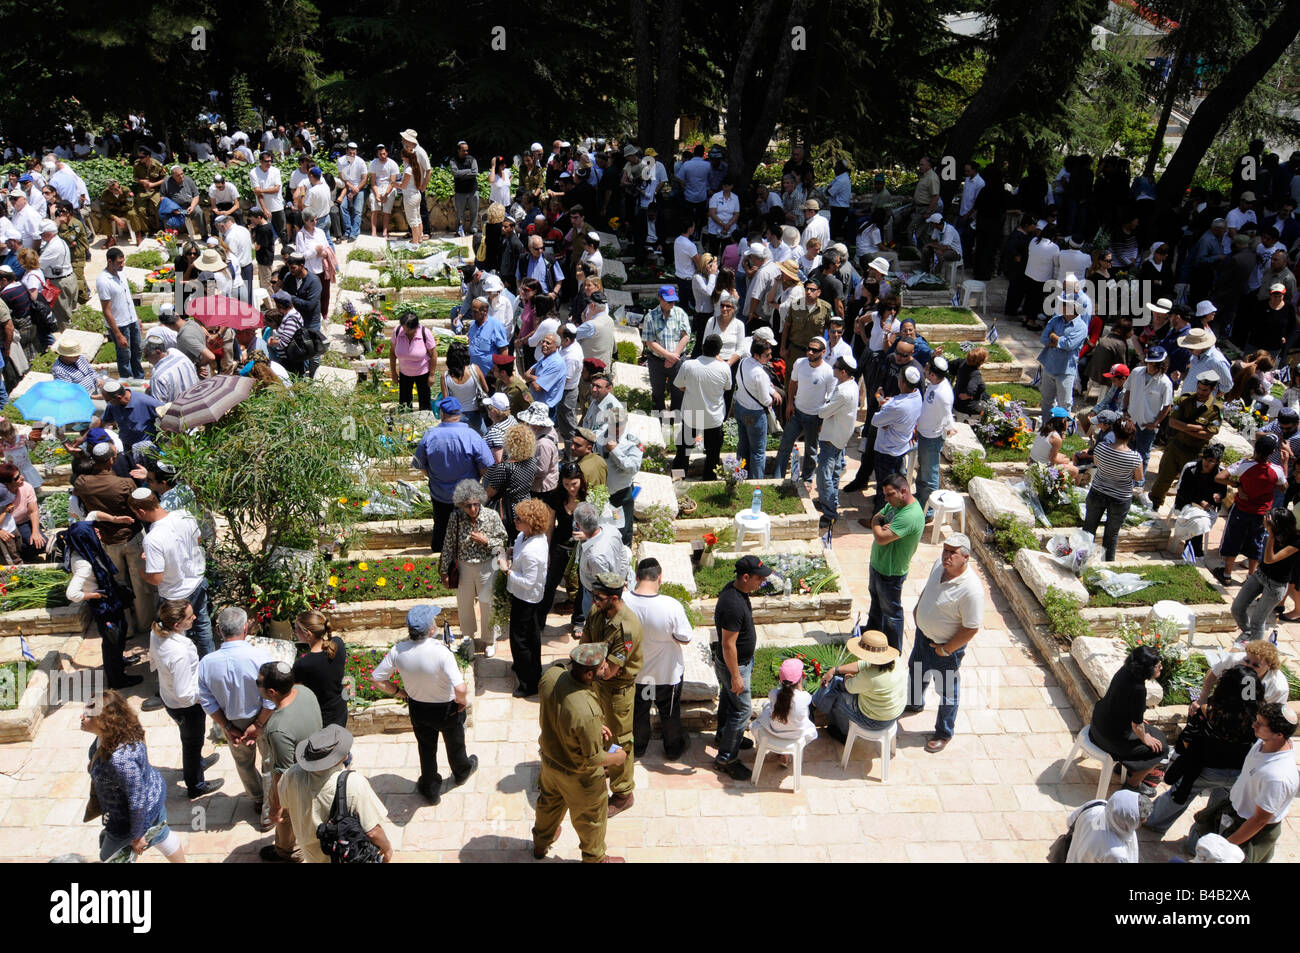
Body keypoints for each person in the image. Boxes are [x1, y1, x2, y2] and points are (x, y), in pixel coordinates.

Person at [533, 643, 628, 863]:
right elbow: (595, 759)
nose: (607, 666)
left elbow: (558, 713)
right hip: (578, 776)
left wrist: (593, 729)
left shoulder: (551, 676)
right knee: (591, 818)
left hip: (549, 763)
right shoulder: (586, 711)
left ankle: (540, 843)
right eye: (603, 665)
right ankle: (595, 858)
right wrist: (618, 758)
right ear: (588, 674)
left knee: (548, 804)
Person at [371, 605, 476, 804]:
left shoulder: (398, 651)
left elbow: (376, 679)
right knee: (455, 743)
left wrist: (398, 692)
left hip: (418, 708)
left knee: (426, 748)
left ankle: (430, 788)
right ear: (430, 630)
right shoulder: (442, 653)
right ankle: (461, 772)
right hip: (447, 710)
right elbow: (460, 689)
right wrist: (461, 702)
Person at [1145, 663, 1261, 836]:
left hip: (1203, 769)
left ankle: (1152, 822)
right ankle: (1198, 843)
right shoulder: (1258, 718)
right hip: (1238, 772)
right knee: (1218, 808)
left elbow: (1187, 738)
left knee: (1179, 796)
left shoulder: (1209, 712)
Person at [1186, 702, 1299, 863]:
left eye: (1260, 724)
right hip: (1235, 811)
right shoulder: (1264, 742)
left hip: (1251, 829)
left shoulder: (1277, 777)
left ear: (1279, 735)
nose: (1254, 725)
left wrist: (1225, 847)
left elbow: (1260, 820)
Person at [903, 533, 985, 753]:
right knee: (916, 671)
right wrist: (919, 610)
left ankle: (943, 733)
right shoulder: (939, 566)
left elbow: (971, 627)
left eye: (953, 553)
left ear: (965, 557)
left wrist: (946, 649)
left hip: (945, 649)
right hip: (923, 637)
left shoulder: (972, 590)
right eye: (945, 550)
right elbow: (929, 588)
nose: (946, 556)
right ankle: (914, 702)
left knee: (948, 691)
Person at [81, 691, 185, 863]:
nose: (82, 717)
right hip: (152, 799)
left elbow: (136, 800)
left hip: (131, 818)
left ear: (104, 722)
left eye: (88, 715)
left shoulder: (120, 759)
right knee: (163, 837)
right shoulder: (118, 732)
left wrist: (137, 836)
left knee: (109, 858)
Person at [197, 607, 274, 825]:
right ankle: (268, 812)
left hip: (232, 720)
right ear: (245, 628)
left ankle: (258, 799)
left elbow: (207, 700)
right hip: (263, 718)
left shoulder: (207, 663)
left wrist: (227, 726)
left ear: (219, 631)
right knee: (269, 763)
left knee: (243, 763)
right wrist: (258, 724)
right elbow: (270, 696)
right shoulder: (260, 656)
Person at [278, 724, 394, 863]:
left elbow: (284, 804)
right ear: (341, 757)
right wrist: (387, 849)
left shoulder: (292, 774)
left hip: (311, 853)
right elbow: (372, 831)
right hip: (344, 856)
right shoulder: (353, 783)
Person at [71, 445, 154, 637]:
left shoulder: (82, 483)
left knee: (116, 584)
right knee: (141, 585)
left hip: (106, 541)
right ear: (110, 461)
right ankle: (145, 624)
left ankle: (127, 627)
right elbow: (136, 506)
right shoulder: (125, 484)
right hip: (131, 538)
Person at [579, 571, 642, 815]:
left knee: (621, 740)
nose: (594, 601)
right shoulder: (599, 611)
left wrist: (585, 667)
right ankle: (608, 763)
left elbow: (609, 671)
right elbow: (584, 642)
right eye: (594, 595)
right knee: (602, 730)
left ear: (614, 598)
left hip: (617, 692)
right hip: (597, 684)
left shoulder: (627, 629)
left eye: (599, 597)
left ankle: (623, 792)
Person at [149, 598, 219, 799]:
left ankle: (199, 762)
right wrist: (206, 696)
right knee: (191, 743)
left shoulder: (156, 632)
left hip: (168, 697)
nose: (195, 617)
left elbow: (154, 660)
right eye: (190, 616)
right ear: (177, 625)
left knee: (191, 741)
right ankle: (196, 784)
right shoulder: (179, 652)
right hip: (185, 708)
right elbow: (184, 694)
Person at [254, 660, 322, 862]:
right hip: (318, 764)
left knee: (286, 820)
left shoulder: (278, 727)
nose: (256, 685)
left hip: (301, 780)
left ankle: (288, 853)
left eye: (258, 683)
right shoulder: (305, 691)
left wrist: (275, 807)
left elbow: (282, 775)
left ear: (272, 691)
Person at [130, 488, 212, 656]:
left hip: (175, 595)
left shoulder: (152, 539)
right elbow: (197, 540)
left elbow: (156, 579)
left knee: (178, 636)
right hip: (197, 581)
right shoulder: (184, 514)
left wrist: (141, 572)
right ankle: (208, 662)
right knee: (202, 625)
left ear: (141, 511)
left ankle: (183, 666)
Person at [625, 557, 693, 760]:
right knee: (669, 713)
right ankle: (672, 749)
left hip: (641, 674)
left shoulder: (624, 601)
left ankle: (639, 747)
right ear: (660, 577)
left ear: (636, 576)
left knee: (641, 711)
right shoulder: (670, 606)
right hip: (666, 674)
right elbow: (685, 637)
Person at [712, 555, 772, 780]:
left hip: (736, 664)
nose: (762, 582)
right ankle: (726, 757)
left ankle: (722, 736)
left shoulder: (737, 591)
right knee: (743, 710)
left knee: (729, 701)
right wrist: (736, 675)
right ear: (746, 577)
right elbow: (728, 645)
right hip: (734, 666)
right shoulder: (733, 604)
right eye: (759, 579)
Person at [63, 518, 140, 689]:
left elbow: (93, 514)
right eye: (94, 531)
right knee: (112, 639)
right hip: (104, 607)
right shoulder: (84, 564)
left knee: (120, 633)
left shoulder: (83, 547)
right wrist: (93, 596)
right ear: (86, 537)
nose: (98, 532)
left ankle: (119, 661)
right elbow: (72, 594)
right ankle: (117, 679)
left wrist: (115, 519)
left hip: (111, 601)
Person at [412, 397, 494, 554]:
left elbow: (420, 465)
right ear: (459, 413)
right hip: (468, 495)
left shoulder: (430, 435)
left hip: (440, 493)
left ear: (442, 413)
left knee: (441, 527)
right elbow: (487, 466)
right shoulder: (472, 435)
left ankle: (439, 556)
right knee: (468, 529)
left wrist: (435, 476)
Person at [440, 478, 508, 656]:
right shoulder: (456, 517)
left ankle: (489, 640)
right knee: (464, 604)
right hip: (463, 567)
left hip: (486, 565)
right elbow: (448, 544)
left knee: (488, 604)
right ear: (461, 504)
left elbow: (503, 543)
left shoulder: (491, 516)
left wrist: (486, 541)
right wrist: (444, 571)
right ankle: (468, 637)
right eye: (468, 505)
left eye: (476, 504)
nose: (472, 509)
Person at [1089, 644, 1169, 793]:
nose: (1161, 668)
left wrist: (1140, 726)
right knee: (1161, 746)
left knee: (1148, 731)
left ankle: (1123, 766)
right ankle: (1133, 783)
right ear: (1147, 668)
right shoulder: (1139, 689)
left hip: (1097, 726)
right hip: (1110, 740)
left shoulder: (1125, 671)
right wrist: (1145, 737)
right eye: (1158, 666)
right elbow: (1137, 725)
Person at [1215, 433, 1287, 585]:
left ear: (1255, 449)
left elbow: (1219, 477)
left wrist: (1238, 485)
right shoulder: (1276, 470)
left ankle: (1227, 574)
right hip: (1262, 514)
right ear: (1272, 453)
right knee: (1256, 542)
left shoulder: (1244, 465)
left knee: (1233, 538)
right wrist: (1285, 463)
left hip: (1241, 509)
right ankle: (1250, 577)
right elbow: (1283, 488)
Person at [811, 628, 906, 743]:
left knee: (836, 690)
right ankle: (817, 703)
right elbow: (862, 664)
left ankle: (841, 732)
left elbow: (848, 686)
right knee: (836, 680)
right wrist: (834, 669)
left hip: (874, 721)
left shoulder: (869, 677)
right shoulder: (896, 660)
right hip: (893, 714)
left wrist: (846, 676)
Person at [865, 474, 924, 652]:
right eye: (885, 494)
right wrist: (877, 523)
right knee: (876, 605)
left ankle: (892, 652)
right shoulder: (895, 504)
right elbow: (876, 517)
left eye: (890, 494)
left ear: (904, 491)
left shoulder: (910, 515)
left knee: (892, 614)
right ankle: (871, 639)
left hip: (890, 573)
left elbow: (882, 538)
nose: (886, 499)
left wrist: (877, 525)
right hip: (878, 564)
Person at [1148, 373, 1223, 510]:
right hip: (1175, 447)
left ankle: (1182, 510)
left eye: (1205, 390)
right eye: (1199, 388)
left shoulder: (1215, 409)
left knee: (1189, 485)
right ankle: (1154, 505)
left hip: (1195, 452)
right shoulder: (1185, 399)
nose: (1200, 392)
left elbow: (1207, 435)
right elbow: (1172, 422)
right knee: (1163, 478)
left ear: (1213, 389)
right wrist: (1197, 428)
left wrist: (1184, 427)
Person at [774, 333, 835, 484]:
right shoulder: (799, 363)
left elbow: (830, 398)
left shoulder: (828, 372)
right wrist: (789, 404)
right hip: (797, 412)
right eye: (809, 349)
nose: (810, 352)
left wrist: (822, 420)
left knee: (811, 451)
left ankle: (807, 479)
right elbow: (792, 383)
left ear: (823, 352)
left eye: (815, 350)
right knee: (784, 445)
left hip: (815, 417)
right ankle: (777, 477)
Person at [1231, 507, 1300, 639]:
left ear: (1277, 524)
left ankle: (1255, 652)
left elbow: (1270, 559)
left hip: (1275, 586)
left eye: (1268, 519)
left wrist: (1271, 535)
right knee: (1237, 609)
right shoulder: (1274, 533)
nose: (1264, 519)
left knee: (1257, 621)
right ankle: (1249, 635)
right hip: (1260, 575)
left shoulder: (1296, 542)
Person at [506, 497, 552, 697]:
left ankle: (528, 683)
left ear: (531, 524)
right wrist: (510, 552)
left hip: (526, 598)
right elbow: (519, 550)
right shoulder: (525, 536)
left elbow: (528, 582)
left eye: (519, 519)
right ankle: (530, 669)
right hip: (524, 596)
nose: (514, 520)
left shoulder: (534, 551)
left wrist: (507, 571)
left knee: (520, 641)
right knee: (531, 637)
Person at [865, 365, 924, 516]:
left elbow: (875, 420)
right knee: (897, 482)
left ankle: (878, 518)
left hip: (886, 450)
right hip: (901, 446)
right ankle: (898, 509)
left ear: (903, 382)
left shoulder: (896, 405)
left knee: (884, 487)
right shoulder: (917, 396)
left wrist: (880, 400)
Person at [672, 333, 732, 473]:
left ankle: (678, 478)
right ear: (719, 351)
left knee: (683, 452)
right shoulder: (724, 368)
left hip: (691, 415)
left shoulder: (688, 365)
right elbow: (727, 387)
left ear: (702, 347)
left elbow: (679, 385)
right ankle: (709, 479)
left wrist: (692, 388)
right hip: (713, 418)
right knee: (712, 454)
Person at [815, 354, 859, 529]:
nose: (832, 368)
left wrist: (824, 408)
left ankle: (830, 513)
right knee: (833, 473)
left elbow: (823, 412)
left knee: (823, 475)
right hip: (840, 436)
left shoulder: (842, 391)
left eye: (835, 367)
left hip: (832, 438)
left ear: (842, 372)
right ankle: (830, 502)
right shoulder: (851, 384)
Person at [571, 501, 628, 637]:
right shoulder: (611, 529)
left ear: (578, 526)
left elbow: (603, 586)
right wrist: (623, 577)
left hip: (595, 598)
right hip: (617, 580)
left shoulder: (595, 556)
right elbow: (623, 555)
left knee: (597, 629)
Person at [750, 656, 819, 769]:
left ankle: (760, 747)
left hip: (774, 731)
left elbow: (779, 700)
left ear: (780, 680)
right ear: (800, 680)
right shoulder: (804, 697)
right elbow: (798, 698)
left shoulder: (773, 694)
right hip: (795, 735)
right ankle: (785, 755)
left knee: (766, 707)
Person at [733, 337, 781, 481]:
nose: (770, 357)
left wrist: (771, 390)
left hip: (740, 407)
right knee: (758, 451)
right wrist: (772, 397)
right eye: (767, 355)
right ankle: (756, 481)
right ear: (757, 355)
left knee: (742, 446)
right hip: (754, 414)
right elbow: (765, 400)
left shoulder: (743, 362)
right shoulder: (760, 373)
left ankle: (740, 475)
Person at [640, 285, 691, 414]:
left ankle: (676, 422)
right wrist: (669, 355)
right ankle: (659, 423)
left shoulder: (680, 313)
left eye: (673, 300)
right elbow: (650, 342)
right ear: (660, 299)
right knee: (657, 394)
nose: (672, 303)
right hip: (657, 361)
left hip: (677, 360)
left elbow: (685, 336)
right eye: (669, 301)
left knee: (678, 392)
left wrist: (674, 357)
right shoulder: (650, 317)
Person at [292, 610, 347, 728]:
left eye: (296, 629)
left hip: (321, 716)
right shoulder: (338, 643)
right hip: (339, 710)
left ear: (308, 634)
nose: (294, 632)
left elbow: (295, 692)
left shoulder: (303, 664)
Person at [1122, 348, 1173, 473]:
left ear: (1162, 365)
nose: (1151, 367)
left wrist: (1156, 423)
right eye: (1149, 363)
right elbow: (1127, 390)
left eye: (1155, 365)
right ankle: (1125, 476)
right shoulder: (1136, 373)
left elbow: (1167, 405)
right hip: (1131, 420)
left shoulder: (1165, 383)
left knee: (1142, 455)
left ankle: (1138, 482)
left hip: (1147, 425)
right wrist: (1124, 410)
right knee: (1127, 451)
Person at [1064, 789, 1149, 863]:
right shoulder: (1117, 855)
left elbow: (1070, 822)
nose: (1145, 821)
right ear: (1128, 822)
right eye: (1141, 820)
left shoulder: (1097, 805)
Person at [96, 247, 143, 381]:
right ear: (110, 261)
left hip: (131, 320)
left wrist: (136, 318)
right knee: (124, 357)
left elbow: (128, 299)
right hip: (120, 325)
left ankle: (139, 381)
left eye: (123, 262)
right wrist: (118, 334)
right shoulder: (103, 281)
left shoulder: (121, 273)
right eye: (119, 262)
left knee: (137, 353)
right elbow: (106, 310)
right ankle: (128, 384)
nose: (122, 265)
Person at [1174, 443, 1225, 558]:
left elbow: (1223, 492)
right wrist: (1200, 502)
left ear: (1217, 462)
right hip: (1187, 504)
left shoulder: (1220, 473)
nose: (1207, 463)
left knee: (1200, 520)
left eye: (1211, 461)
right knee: (1197, 521)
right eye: (1206, 459)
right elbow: (1183, 491)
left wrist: (1218, 496)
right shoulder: (1191, 468)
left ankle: (1191, 552)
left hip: (1208, 509)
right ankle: (1195, 553)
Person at [1037, 299, 1089, 413]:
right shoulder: (1055, 320)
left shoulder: (1081, 327)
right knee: (1046, 401)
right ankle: (1046, 427)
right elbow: (1044, 338)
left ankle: (1061, 429)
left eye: (1065, 304)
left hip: (1065, 371)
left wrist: (1053, 336)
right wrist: (1057, 341)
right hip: (1049, 366)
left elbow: (1068, 345)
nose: (1061, 306)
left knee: (1064, 404)